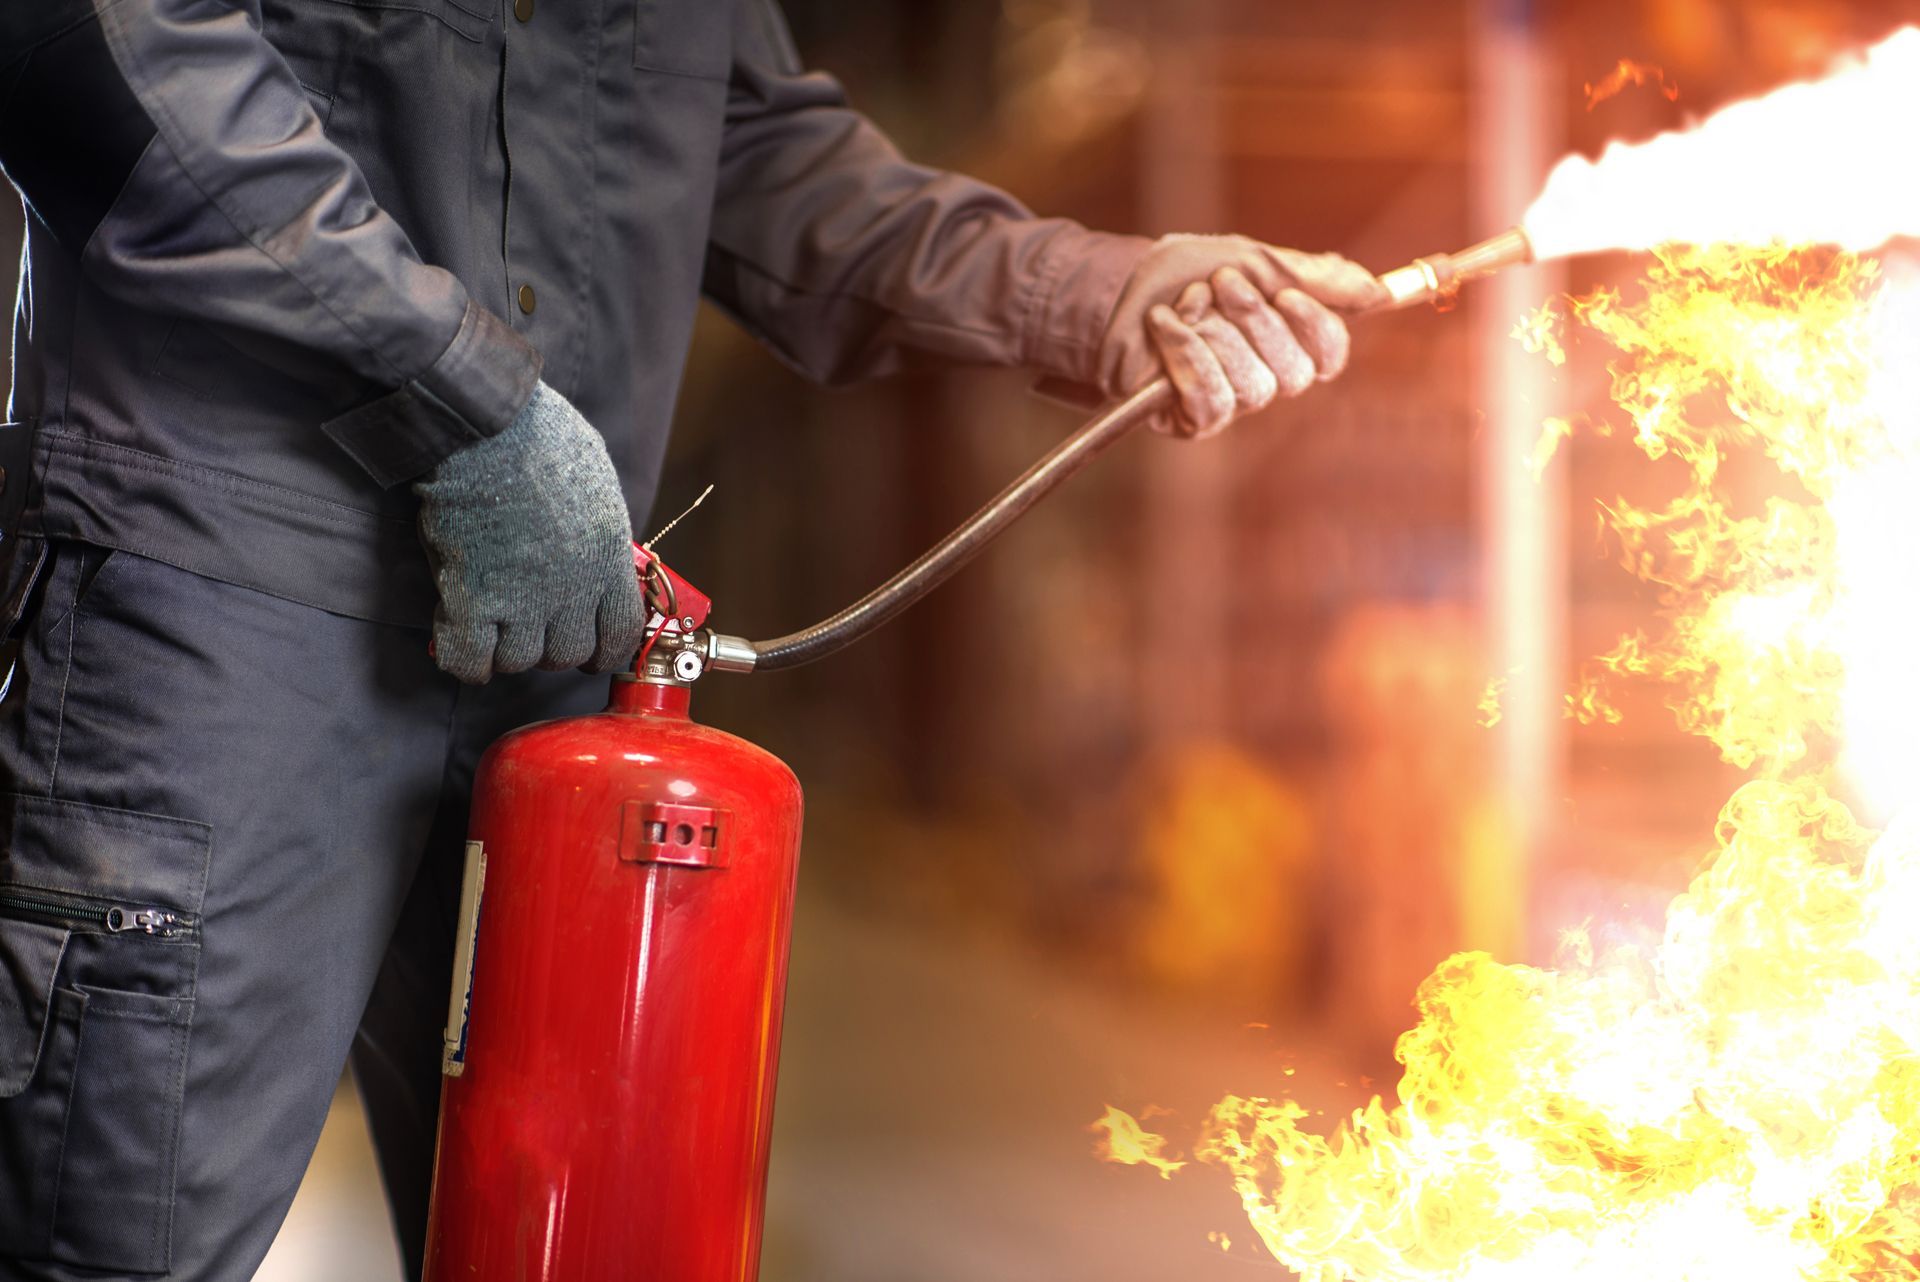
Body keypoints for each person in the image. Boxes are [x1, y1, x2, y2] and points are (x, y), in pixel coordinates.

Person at [0, 2, 1384, 1278]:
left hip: (555, 637)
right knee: (111, 1247)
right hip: (224, 597)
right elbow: (96, 39)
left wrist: (1097, 292)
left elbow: (753, 148)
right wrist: (454, 395)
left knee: (595, 1235)